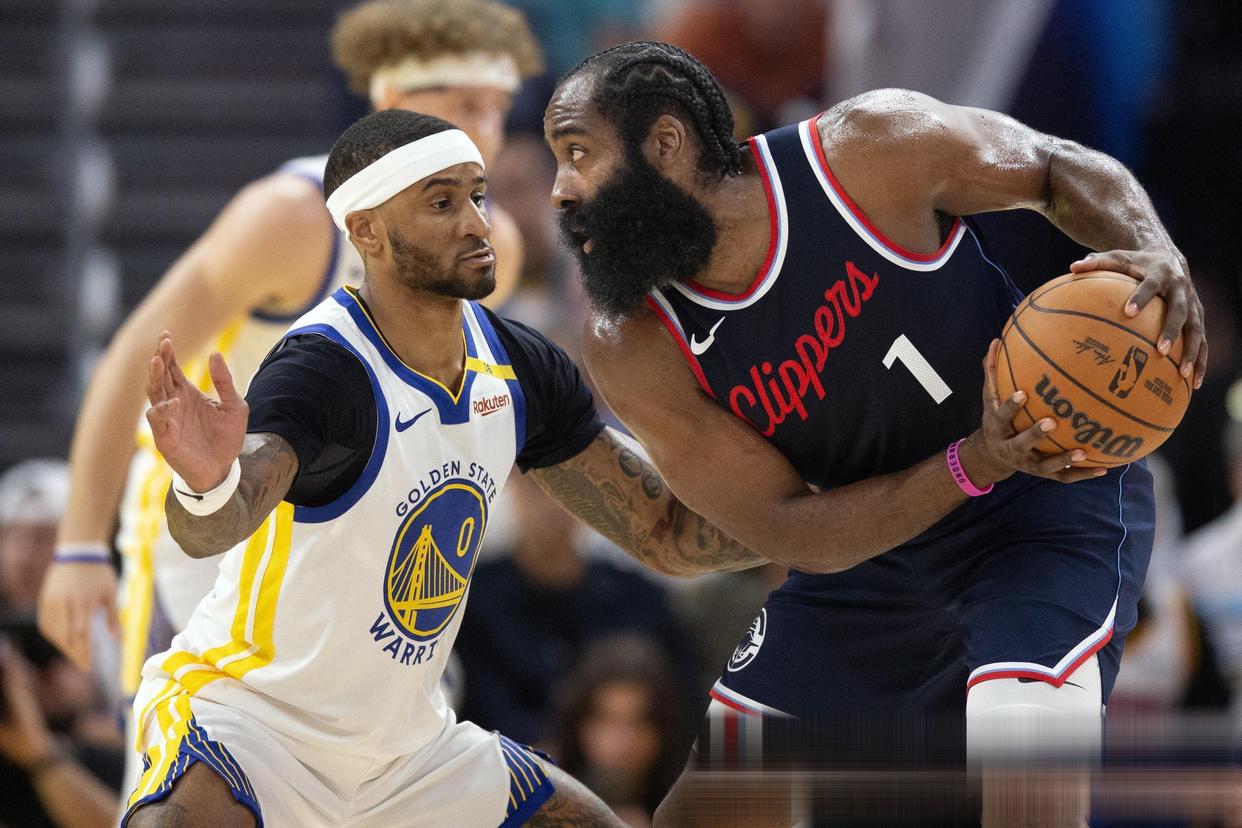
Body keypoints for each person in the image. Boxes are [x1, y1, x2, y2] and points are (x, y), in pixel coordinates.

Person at [542, 41, 1207, 826]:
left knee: (1028, 796)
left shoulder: (868, 151)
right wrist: (971, 461)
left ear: (665, 144)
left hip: (1047, 506)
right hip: (876, 550)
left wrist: (1154, 252)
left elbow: (1056, 167)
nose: (561, 190)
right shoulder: (634, 342)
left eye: (579, 153)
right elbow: (793, 529)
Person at [122, 109, 762, 826]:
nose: (477, 223)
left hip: (407, 752)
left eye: (477, 196)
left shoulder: (519, 365)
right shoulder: (324, 369)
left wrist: (815, 513)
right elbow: (216, 524)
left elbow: (665, 532)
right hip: (254, 725)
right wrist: (207, 482)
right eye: (442, 203)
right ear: (367, 231)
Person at [37, 0, 543, 796]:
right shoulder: (290, 219)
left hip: (342, 513)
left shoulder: (491, 247)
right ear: (389, 104)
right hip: (209, 508)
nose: (482, 128)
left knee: (370, 765)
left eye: (495, 107)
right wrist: (77, 546)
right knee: (192, 769)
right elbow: (133, 360)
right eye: (461, 103)